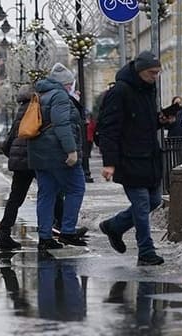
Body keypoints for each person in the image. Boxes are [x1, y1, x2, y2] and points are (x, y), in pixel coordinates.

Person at [98, 50, 169, 266]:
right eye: (151, 72)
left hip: (149, 157)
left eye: (157, 72)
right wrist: (109, 163)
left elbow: (142, 123)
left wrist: (161, 120)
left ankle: (114, 226)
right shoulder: (119, 92)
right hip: (129, 159)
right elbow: (108, 129)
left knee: (154, 201)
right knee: (141, 204)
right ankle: (146, 250)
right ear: (139, 70)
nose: (155, 76)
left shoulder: (148, 89)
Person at [28, 63, 87, 250]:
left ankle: (45, 236)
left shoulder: (41, 94)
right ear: (65, 84)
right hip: (58, 153)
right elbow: (62, 124)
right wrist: (71, 150)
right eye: (70, 84)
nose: (72, 87)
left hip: (39, 152)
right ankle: (67, 231)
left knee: (46, 194)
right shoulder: (60, 96)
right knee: (76, 188)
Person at [0, 84, 35, 249]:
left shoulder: (21, 110)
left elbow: (11, 136)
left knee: (15, 199)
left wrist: (9, 152)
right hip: (33, 157)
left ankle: (3, 233)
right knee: (51, 191)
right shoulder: (33, 108)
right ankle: (62, 228)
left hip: (20, 162)